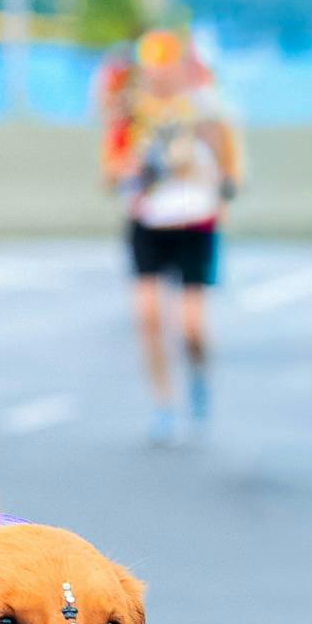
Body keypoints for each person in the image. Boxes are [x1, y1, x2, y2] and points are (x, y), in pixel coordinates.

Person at [103, 25, 243, 443]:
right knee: (147, 316)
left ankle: (198, 378)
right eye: (152, 67)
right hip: (149, 222)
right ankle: (163, 404)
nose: (159, 75)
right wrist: (137, 170)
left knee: (191, 327)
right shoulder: (133, 115)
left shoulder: (204, 109)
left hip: (195, 222)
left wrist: (212, 178)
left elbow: (230, 170)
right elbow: (110, 174)